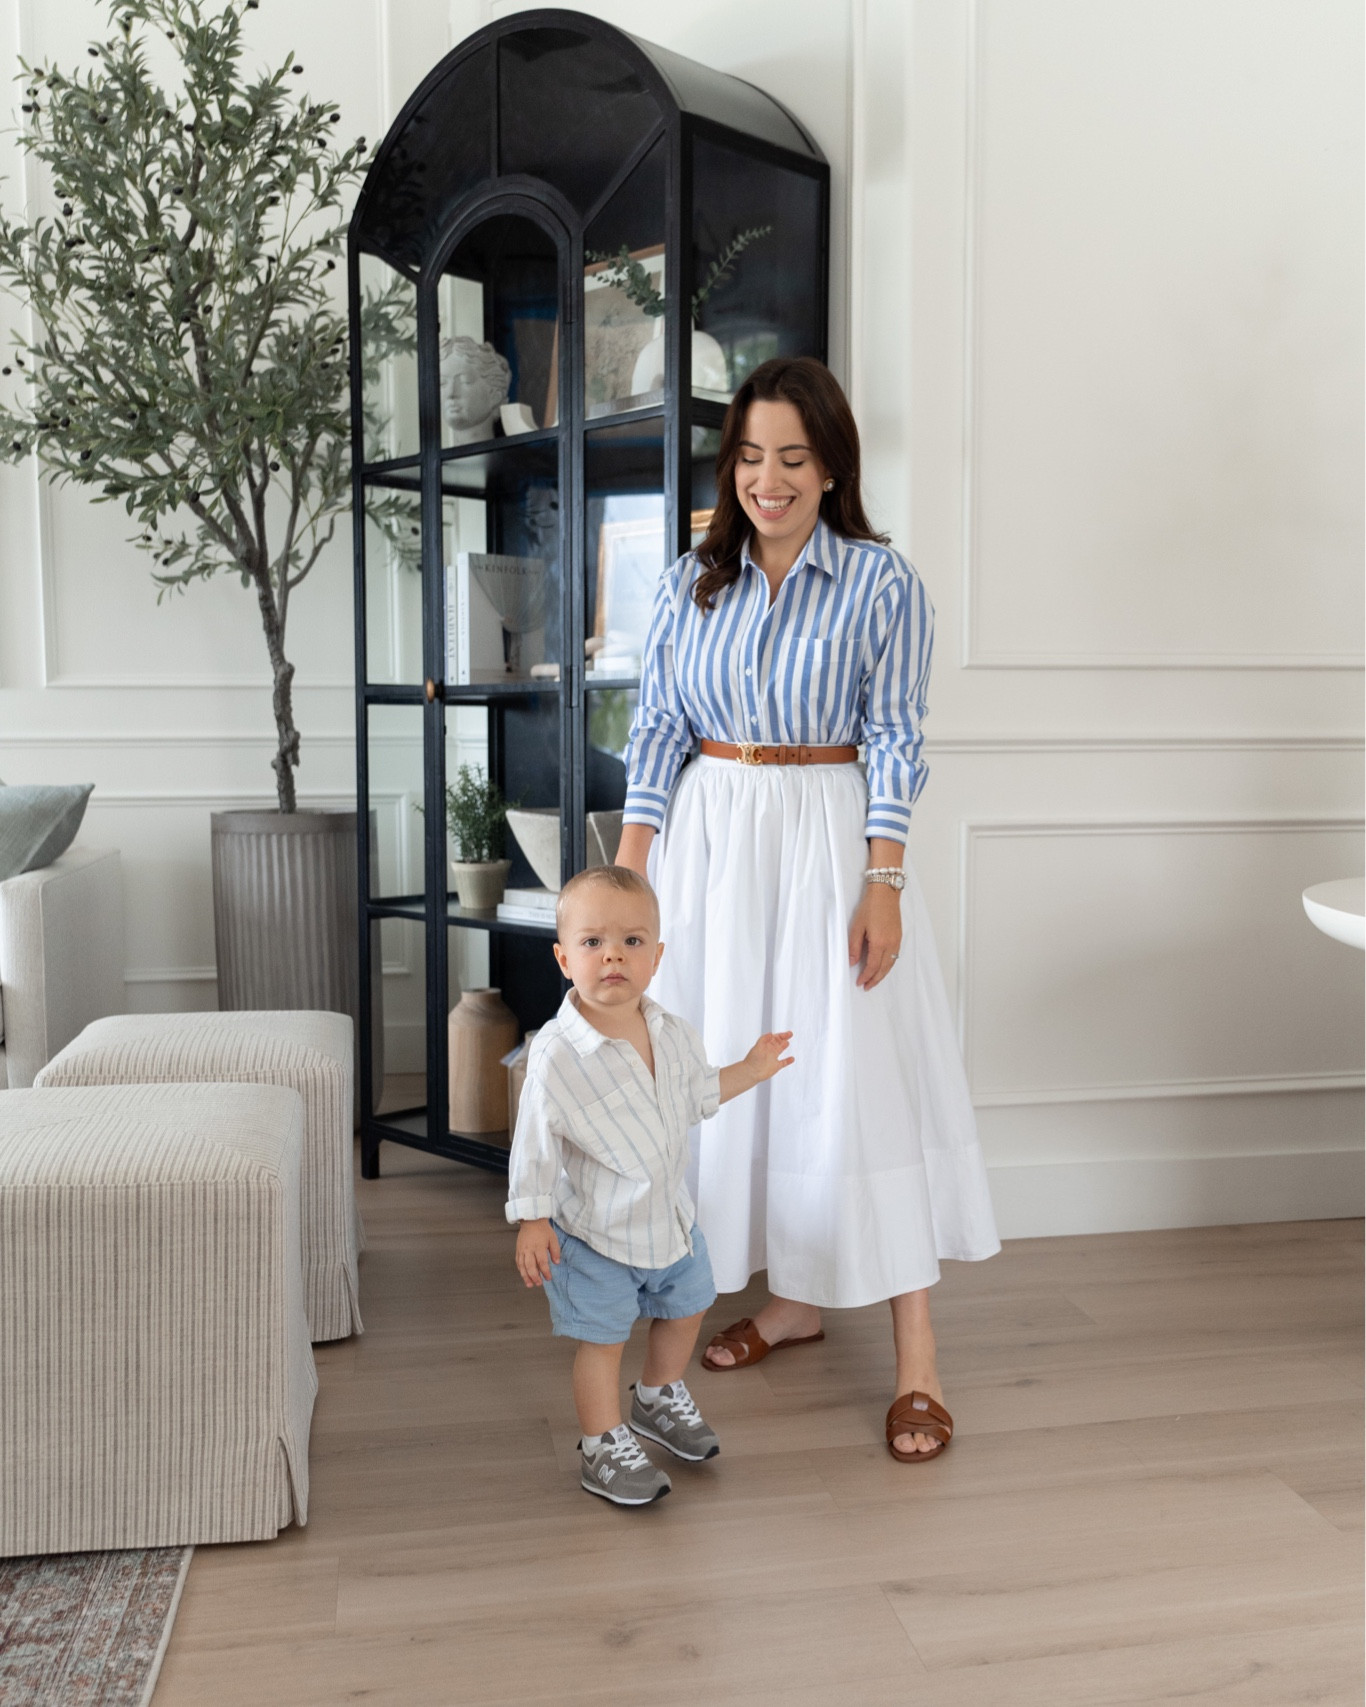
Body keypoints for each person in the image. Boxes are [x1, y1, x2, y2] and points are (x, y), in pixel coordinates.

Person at [616, 356, 1000, 1463]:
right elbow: (654, 731)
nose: (767, 480)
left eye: (791, 457)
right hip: (711, 837)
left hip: (832, 840)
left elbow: (893, 739)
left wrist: (881, 880)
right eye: (748, 456)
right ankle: (791, 1300)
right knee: (730, 1071)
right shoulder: (689, 581)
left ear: (831, 466)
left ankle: (917, 1362)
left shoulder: (882, 584)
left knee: (856, 1080)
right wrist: (633, 880)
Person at [506, 864, 794, 1506]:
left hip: (668, 1219)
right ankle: (601, 1441)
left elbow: (697, 1095)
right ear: (563, 958)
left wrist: (749, 1069)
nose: (613, 955)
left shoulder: (670, 1031)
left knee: (689, 1305)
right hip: (594, 1235)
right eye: (592, 943)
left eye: (632, 942)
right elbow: (533, 1143)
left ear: (656, 956)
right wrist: (531, 1218)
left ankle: (659, 1395)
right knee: (602, 1341)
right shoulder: (558, 1054)